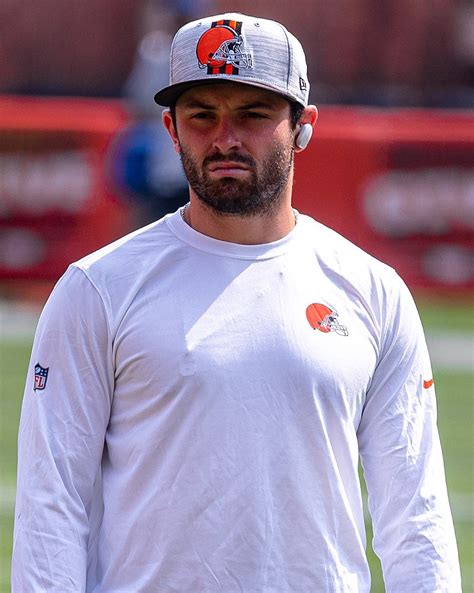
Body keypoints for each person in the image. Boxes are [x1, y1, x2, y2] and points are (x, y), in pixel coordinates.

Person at [12, 12, 462, 593]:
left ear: (303, 126)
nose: (225, 138)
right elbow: (51, 504)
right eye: (202, 115)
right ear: (171, 129)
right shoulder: (97, 289)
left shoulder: (372, 291)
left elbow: (416, 515)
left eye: (253, 114)